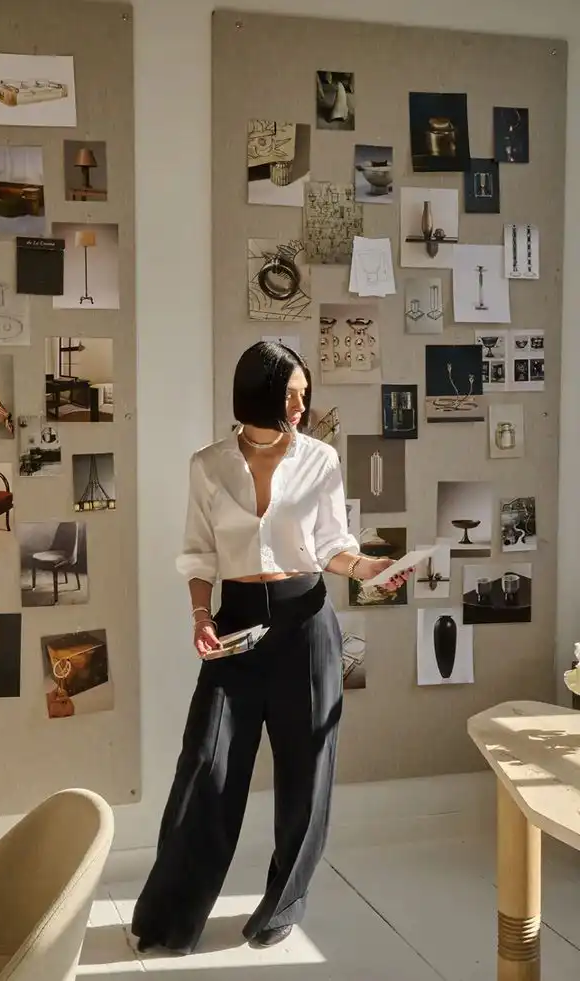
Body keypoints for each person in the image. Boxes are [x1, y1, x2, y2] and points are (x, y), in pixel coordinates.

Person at [131, 341, 413, 955]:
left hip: (305, 620)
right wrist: (200, 616)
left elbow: (332, 546)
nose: (302, 403)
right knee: (206, 765)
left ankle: (282, 906)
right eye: (292, 392)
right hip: (235, 622)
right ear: (258, 390)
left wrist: (367, 567)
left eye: (305, 393)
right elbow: (199, 554)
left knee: (306, 770)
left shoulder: (321, 460)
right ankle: (169, 917)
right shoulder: (208, 465)